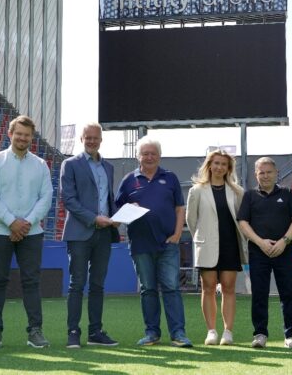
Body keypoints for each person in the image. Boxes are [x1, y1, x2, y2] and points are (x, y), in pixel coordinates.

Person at [0, 115, 53, 349]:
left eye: (27, 135)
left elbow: (46, 198)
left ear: (32, 138)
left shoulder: (40, 165)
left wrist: (26, 223)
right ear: (10, 134)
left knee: (31, 281)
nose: (23, 138)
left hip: (31, 232)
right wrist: (12, 222)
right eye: (18, 133)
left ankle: (35, 331)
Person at [115, 136, 192, 348]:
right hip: (140, 245)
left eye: (153, 153)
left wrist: (177, 235)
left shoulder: (171, 177)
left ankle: (178, 333)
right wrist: (128, 208)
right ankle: (152, 333)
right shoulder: (129, 180)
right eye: (145, 153)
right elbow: (117, 210)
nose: (149, 157)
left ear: (159, 156)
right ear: (138, 156)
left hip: (168, 244)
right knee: (148, 290)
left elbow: (179, 208)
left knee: (171, 288)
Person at [60, 122, 119, 348]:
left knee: (98, 285)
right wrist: (93, 218)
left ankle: (95, 331)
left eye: (96, 138)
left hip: (104, 234)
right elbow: (69, 200)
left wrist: (120, 212)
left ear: (101, 140)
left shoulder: (109, 167)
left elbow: (107, 199)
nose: (92, 141)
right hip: (80, 232)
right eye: (88, 138)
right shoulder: (70, 165)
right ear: (82, 140)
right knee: (77, 283)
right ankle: (73, 332)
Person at [237, 157, 292, 349]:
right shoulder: (249, 196)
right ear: (256, 175)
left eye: (268, 172)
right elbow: (243, 222)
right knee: (259, 294)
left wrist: (284, 241)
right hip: (258, 253)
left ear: (276, 173)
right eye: (261, 172)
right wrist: (260, 242)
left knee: (288, 293)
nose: (265, 176)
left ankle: (291, 336)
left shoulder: (287, 194)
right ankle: (260, 334)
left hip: (284, 251)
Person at [186, 149, 247, 346]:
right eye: (216, 163)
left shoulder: (237, 191)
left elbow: (242, 219)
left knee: (229, 288)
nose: (219, 167)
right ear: (209, 166)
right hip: (206, 246)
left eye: (224, 164)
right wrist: (203, 237)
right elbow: (191, 220)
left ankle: (228, 332)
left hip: (230, 245)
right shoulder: (196, 191)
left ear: (228, 168)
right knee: (208, 288)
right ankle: (211, 331)